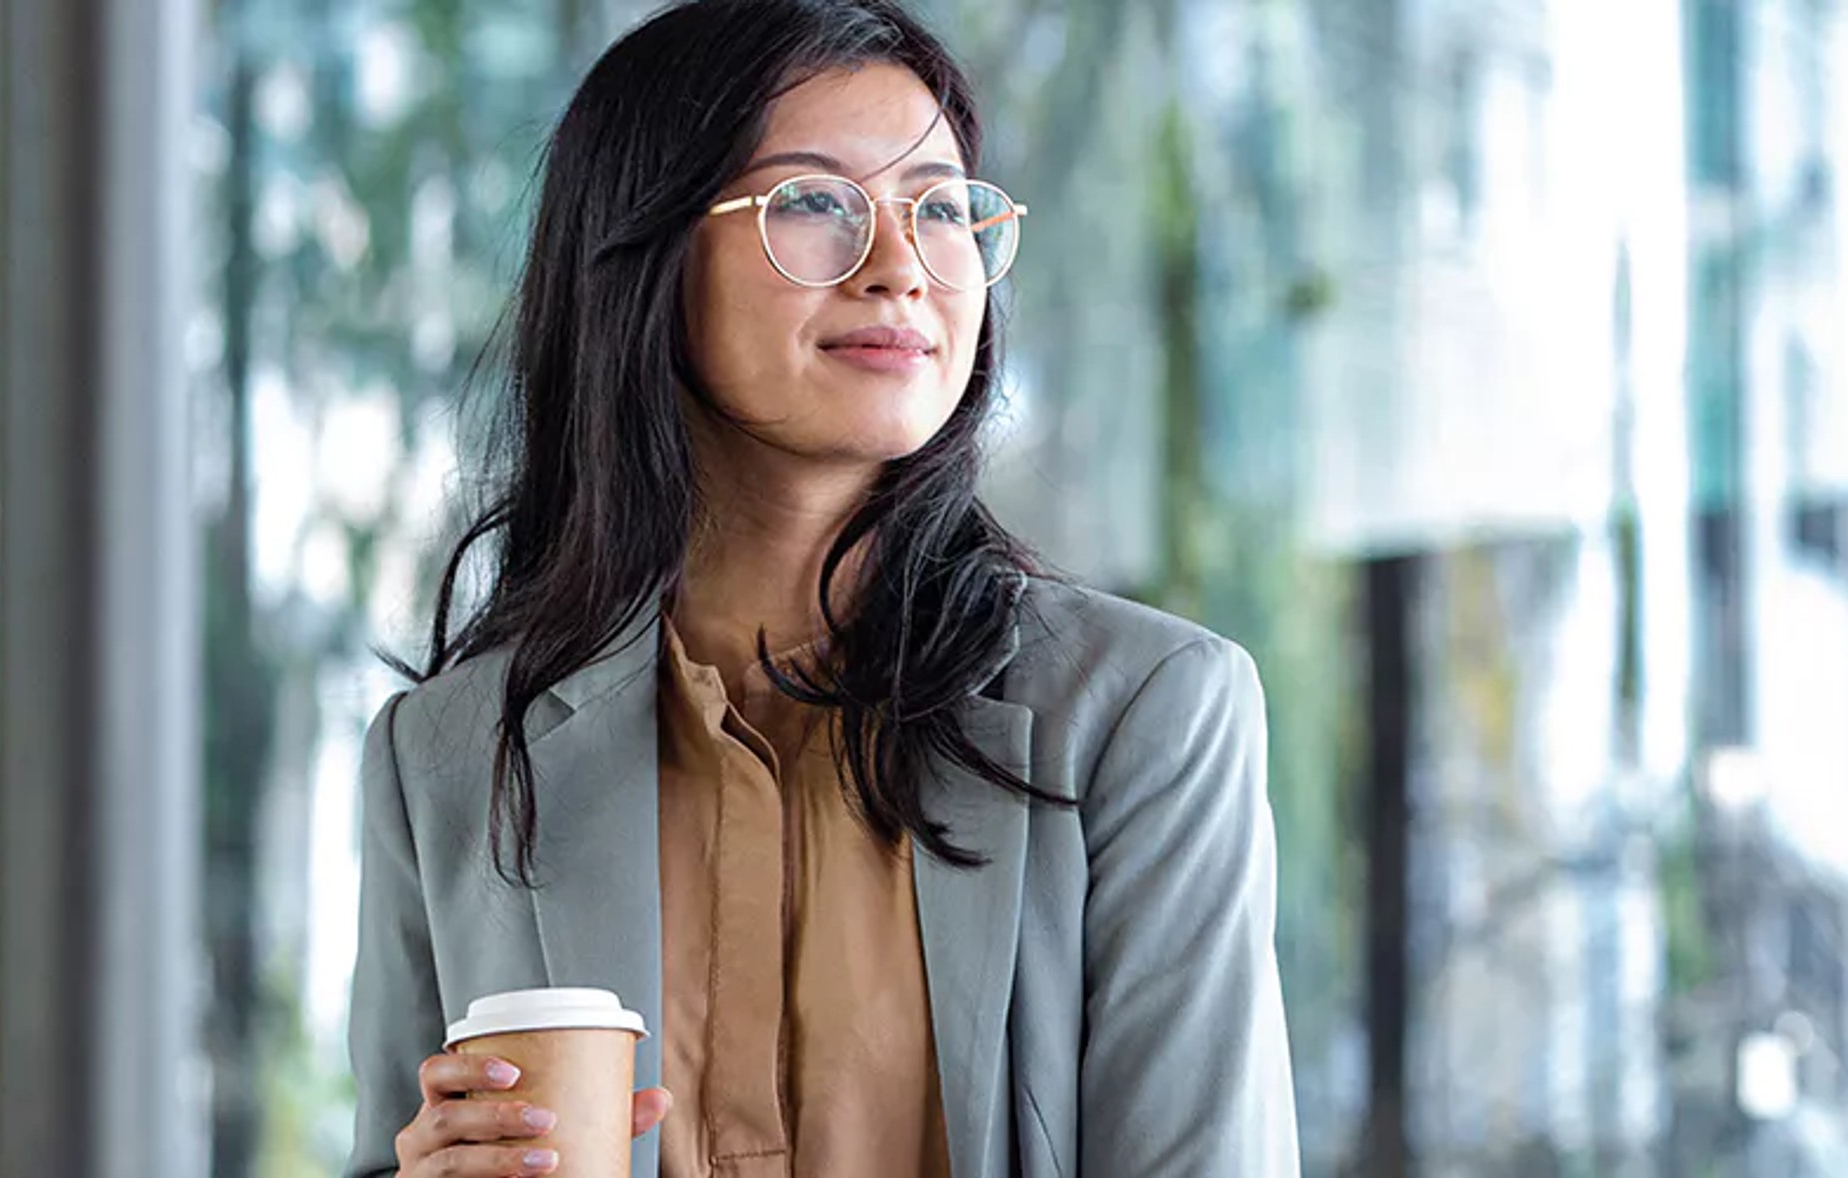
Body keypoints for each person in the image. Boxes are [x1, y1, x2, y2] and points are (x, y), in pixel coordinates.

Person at [341, 2, 1297, 1174]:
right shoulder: (446, 760)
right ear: (647, 258)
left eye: (939, 208)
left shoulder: (1146, 712)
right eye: (813, 202)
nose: (900, 268)